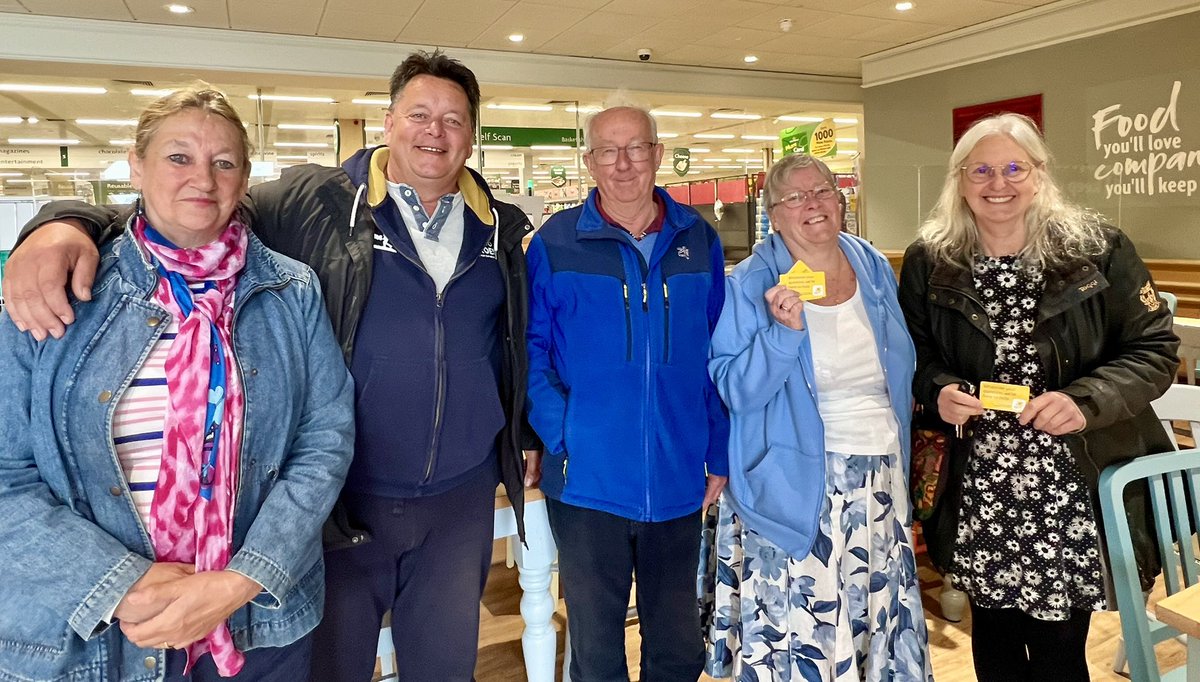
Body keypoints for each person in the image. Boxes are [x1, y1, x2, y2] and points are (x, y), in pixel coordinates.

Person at [2, 50, 538, 682]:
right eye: (419, 114)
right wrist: (64, 224)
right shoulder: (313, 202)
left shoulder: (501, 228)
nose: (434, 131)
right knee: (336, 666)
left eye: (453, 120)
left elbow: (512, 343)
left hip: (458, 496)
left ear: (472, 136)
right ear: (388, 121)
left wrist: (522, 433)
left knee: (445, 666)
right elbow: (192, 214)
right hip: (348, 507)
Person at [0, 85, 354, 681]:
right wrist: (120, 585)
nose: (203, 179)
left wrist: (241, 579)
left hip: (255, 622)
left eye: (224, 162)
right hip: (92, 637)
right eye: (178, 157)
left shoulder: (290, 291)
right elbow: (7, 475)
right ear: (136, 166)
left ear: (245, 180)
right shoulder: (56, 291)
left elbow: (324, 440)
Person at [897, 113, 1180, 681]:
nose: (997, 183)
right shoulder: (931, 259)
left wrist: (1084, 401)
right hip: (979, 478)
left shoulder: (1096, 249)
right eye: (980, 170)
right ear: (959, 180)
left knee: (1059, 649)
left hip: (1070, 476)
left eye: (1013, 168)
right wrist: (938, 389)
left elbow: (1155, 350)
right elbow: (914, 354)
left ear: (1039, 173)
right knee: (993, 640)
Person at [702, 153, 932, 681]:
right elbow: (735, 389)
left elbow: (899, 361)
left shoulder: (869, 263)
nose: (813, 204)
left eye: (823, 191)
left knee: (874, 619)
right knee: (807, 629)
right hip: (795, 484)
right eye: (795, 197)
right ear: (773, 216)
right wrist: (782, 336)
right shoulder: (749, 283)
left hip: (878, 475)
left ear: (841, 201)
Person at [524, 101, 729, 681]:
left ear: (657, 154)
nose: (623, 164)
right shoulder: (556, 242)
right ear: (589, 161)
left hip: (679, 475)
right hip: (587, 482)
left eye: (636, 148)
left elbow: (719, 352)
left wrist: (718, 447)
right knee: (596, 651)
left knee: (677, 647)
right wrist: (563, 432)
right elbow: (531, 349)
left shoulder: (698, 239)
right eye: (608, 151)